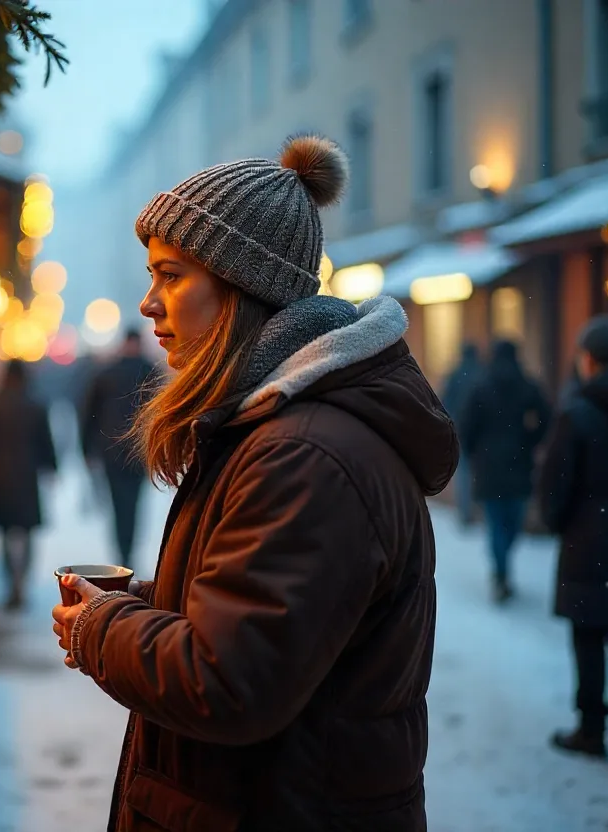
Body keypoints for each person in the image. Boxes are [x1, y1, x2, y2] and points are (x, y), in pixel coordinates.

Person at [51, 135, 457, 830]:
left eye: (171, 276)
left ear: (243, 287)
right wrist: (161, 603)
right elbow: (271, 633)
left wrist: (102, 626)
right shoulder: (279, 429)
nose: (149, 304)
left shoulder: (302, 455)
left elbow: (231, 683)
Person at [538, 316, 608, 759]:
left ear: (589, 359)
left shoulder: (577, 413)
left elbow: (555, 489)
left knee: (589, 637)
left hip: (590, 542)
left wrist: (561, 522)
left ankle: (592, 728)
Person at [458, 340, 551, 602]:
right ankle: (503, 567)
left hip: (488, 466)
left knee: (496, 523)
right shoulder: (527, 385)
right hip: (519, 462)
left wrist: (475, 451)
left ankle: (500, 572)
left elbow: (467, 426)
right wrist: (531, 439)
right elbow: (547, 416)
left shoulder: (481, 386)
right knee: (513, 522)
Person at [0, 360, 57, 611]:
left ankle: (10, 583)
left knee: (4, 533)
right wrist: (52, 467)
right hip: (27, 477)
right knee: (27, 532)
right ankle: (22, 582)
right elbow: (46, 442)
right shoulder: (35, 404)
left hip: (1, 478)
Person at [80, 328, 157, 567]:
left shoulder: (106, 373)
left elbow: (89, 414)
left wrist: (87, 449)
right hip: (139, 451)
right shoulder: (150, 372)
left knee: (117, 503)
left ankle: (122, 551)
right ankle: (128, 548)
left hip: (111, 450)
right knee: (133, 503)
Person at [442, 343, 482, 526]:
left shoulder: (456, 375)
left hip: (459, 429)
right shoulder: (482, 373)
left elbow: (444, 402)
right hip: (481, 432)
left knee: (463, 472)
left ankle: (465, 512)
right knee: (479, 471)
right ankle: (479, 510)